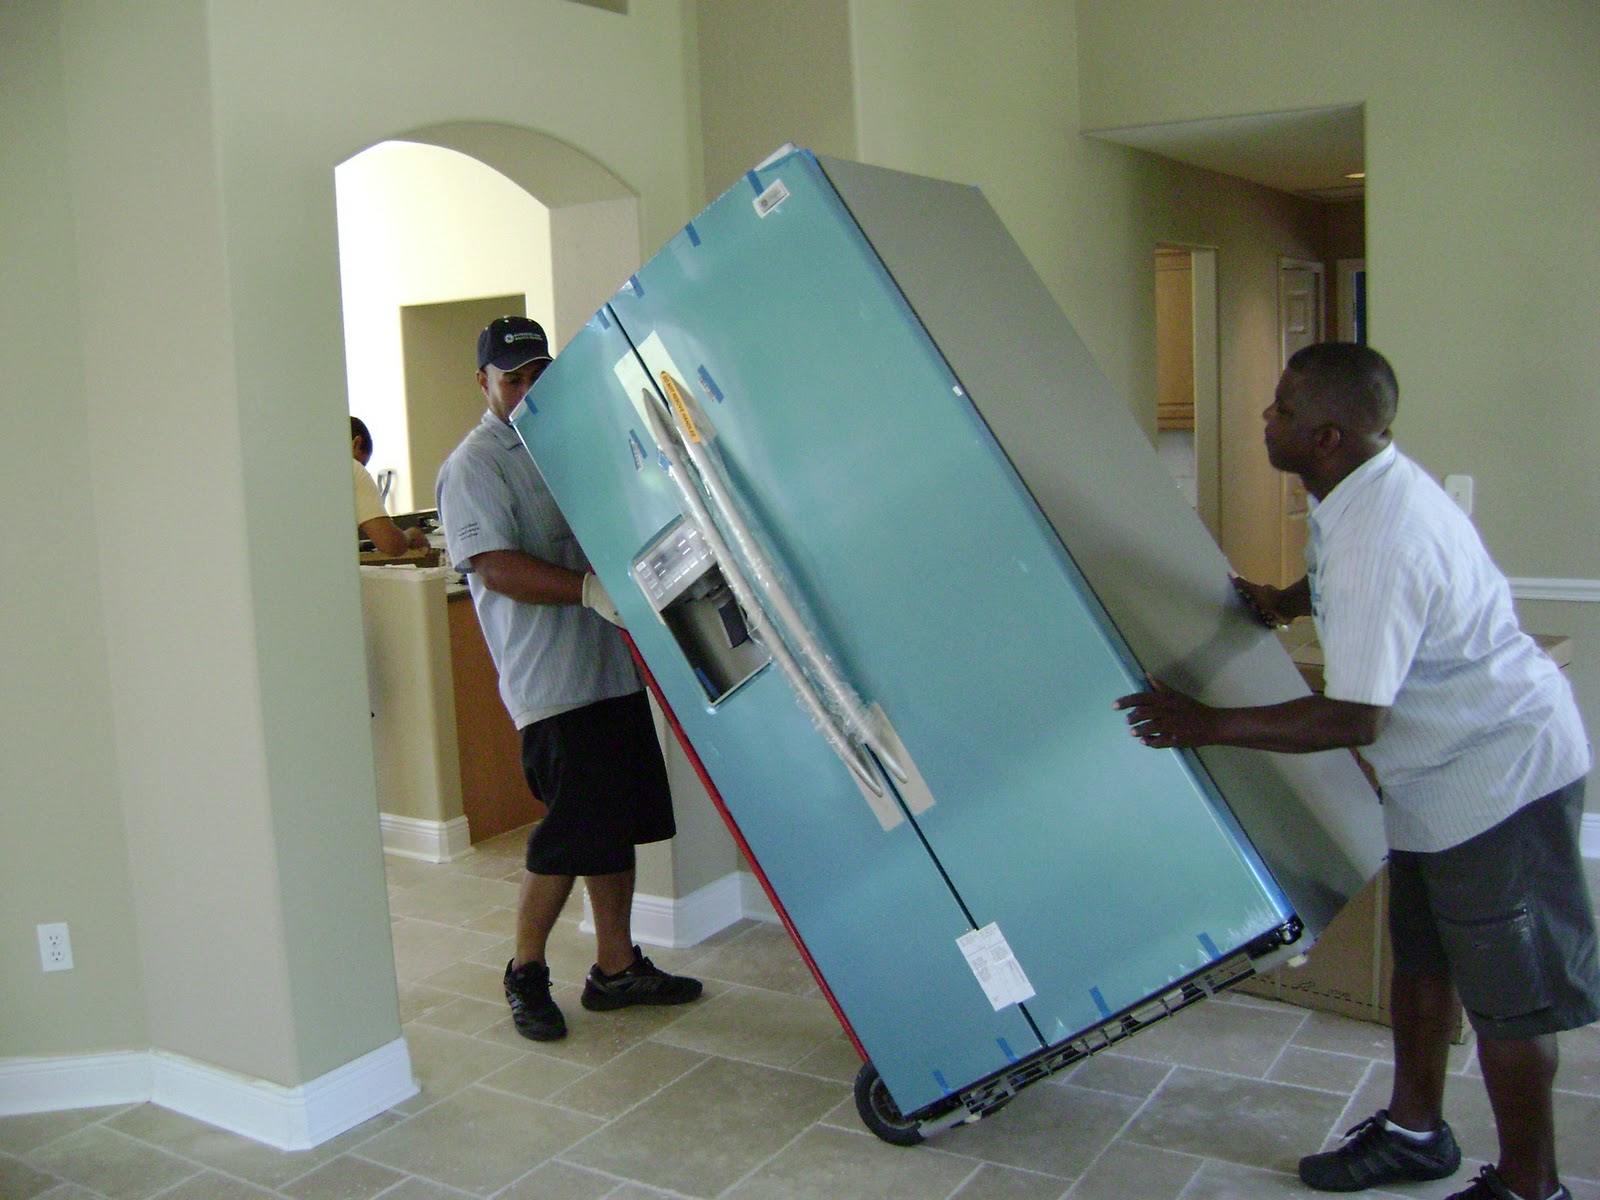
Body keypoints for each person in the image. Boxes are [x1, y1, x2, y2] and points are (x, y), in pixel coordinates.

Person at [1114, 342, 1596, 1200]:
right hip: (1437, 780)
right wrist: (1290, 601)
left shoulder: (1387, 536)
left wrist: (1206, 724)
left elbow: (1353, 717)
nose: (1266, 417)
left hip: (1500, 777)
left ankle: (1533, 1188)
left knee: (1510, 1001)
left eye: (1283, 409)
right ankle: (1416, 1135)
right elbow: (1346, 579)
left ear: (1329, 435)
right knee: (1421, 960)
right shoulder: (1358, 490)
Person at [435, 315, 701, 1042]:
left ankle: (616, 970)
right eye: (511, 380)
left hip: (612, 667)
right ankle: (525, 971)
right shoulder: (475, 466)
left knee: (614, 827)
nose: (526, 392)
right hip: (551, 683)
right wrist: (588, 589)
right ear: (484, 383)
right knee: (570, 832)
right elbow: (492, 566)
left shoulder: (569, 441)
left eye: (537, 376)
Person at [351, 416, 430, 556]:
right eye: (362, 463)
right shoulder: (352, 468)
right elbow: (391, 544)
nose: (361, 467)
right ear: (356, 443)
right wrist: (410, 536)